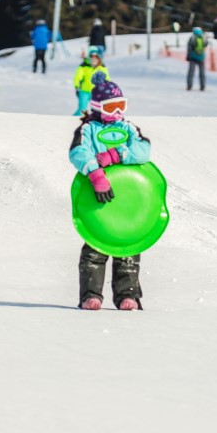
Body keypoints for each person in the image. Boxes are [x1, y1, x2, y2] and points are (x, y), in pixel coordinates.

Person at [69, 78, 152, 311]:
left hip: (128, 197)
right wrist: (95, 174)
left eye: (121, 105)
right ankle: (90, 295)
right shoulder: (88, 129)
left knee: (128, 246)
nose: (117, 112)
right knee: (96, 245)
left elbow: (144, 151)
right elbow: (78, 152)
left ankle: (128, 295)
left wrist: (116, 155)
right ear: (97, 106)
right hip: (98, 197)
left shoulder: (128, 128)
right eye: (109, 106)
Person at [72, 48, 108, 115]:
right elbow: (77, 77)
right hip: (84, 91)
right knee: (82, 109)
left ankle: (96, 122)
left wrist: (107, 88)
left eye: (96, 56)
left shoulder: (102, 67)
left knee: (97, 110)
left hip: (96, 92)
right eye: (92, 56)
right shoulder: (84, 66)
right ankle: (72, 120)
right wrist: (77, 86)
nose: (94, 58)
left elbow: (107, 79)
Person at [186, 26, 207, 91]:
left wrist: (188, 56)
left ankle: (189, 86)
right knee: (202, 73)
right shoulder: (203, 37)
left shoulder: (192, 37)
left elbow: (189, 48)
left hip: (193, 57)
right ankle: (202, 86)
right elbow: (206, 45)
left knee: (191, 72)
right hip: (201, 57)